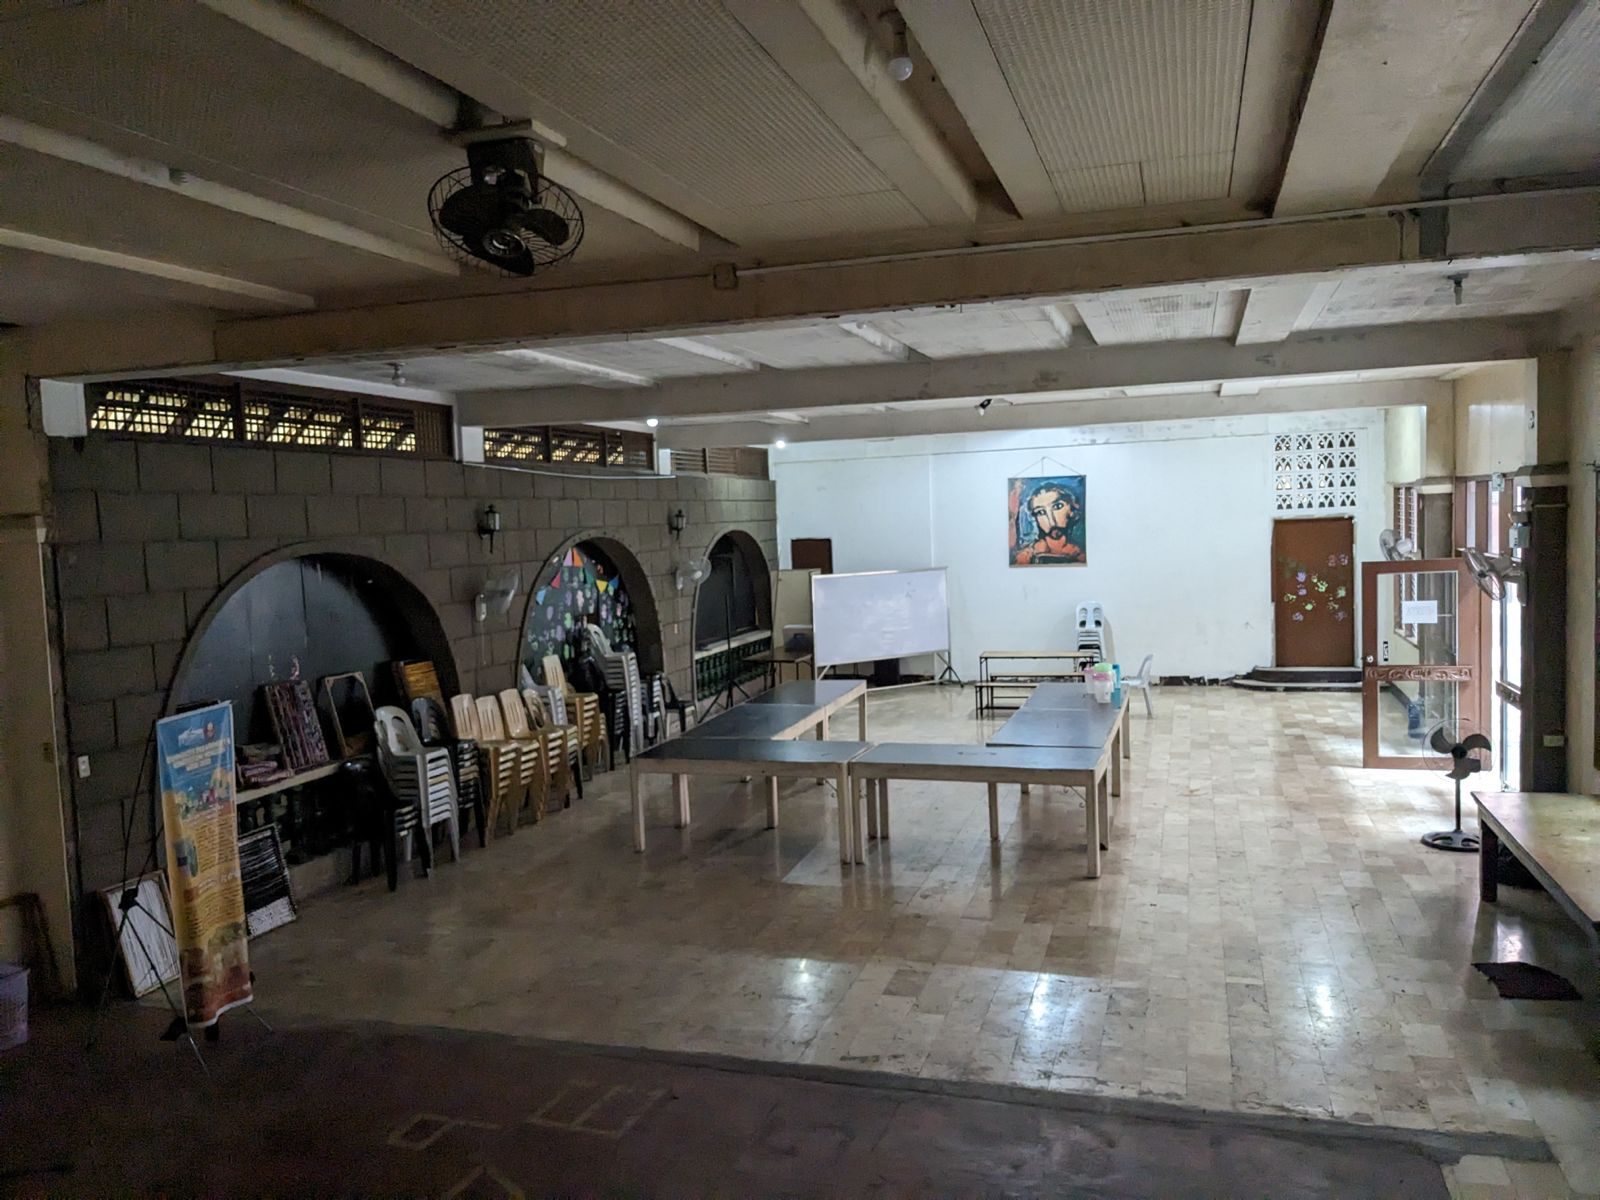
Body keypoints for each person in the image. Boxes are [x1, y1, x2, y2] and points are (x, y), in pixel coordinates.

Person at [1014, 480, 1084, 564]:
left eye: (1057, 507)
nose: (1051, 521)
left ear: (1071, 509)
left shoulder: (1081, 554)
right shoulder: (1027, 556)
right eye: (1040, 512)